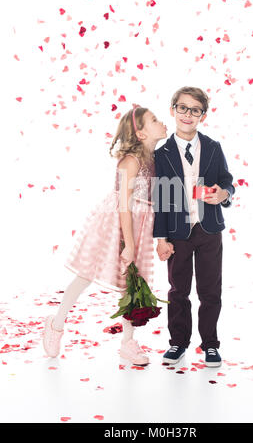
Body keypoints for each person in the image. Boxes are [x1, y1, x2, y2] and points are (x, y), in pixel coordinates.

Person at [42, 106, 167, 366]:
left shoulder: (156, 159)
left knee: (132, 283)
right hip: (118, 223)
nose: (161, 121)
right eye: (154, 120)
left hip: (141, 222)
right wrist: (128, 243)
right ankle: (56, 323)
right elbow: (124, 204)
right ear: (141, 133)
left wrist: (157, 237)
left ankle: (127, 343)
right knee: (87, 273)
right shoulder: (130, 161)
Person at [153, 86, 235, 367]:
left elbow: (227, 182)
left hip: (209, 228)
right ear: (173, 109)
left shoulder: (213, 148)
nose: (188, 114)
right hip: (177, 232)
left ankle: (211, 344)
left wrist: (224, 194)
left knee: (211, 289)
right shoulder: (161, 154)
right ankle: (178, 343)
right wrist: (161, 238)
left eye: (195, 110)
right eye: (183, 108)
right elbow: (161, 200)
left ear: (203, 115)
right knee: (178, 290)